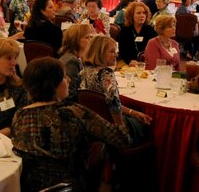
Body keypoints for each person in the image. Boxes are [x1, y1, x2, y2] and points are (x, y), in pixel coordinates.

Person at [12, 58, 131, 191]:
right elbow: (122, 140)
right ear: (52, 84)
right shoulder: (75, 113)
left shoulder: (19, 116)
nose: (69, 80)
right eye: (64, 76)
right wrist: (118, 114)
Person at [80, 35, 152, 142]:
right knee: (149, 126)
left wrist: (133, 112)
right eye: (112, 52)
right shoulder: (106, 74)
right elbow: (114, 106)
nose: (116, 55)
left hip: (93, 124)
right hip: (110, 127)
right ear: (100, 53)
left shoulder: (85, 71)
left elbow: (109, 102)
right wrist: (122, 131)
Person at [58, 24, 95, 102]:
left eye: (91, 37)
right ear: (75, 40)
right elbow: (70, 94)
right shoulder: (71, 61)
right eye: (87, 37)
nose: (91, 40)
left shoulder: (78, 57)